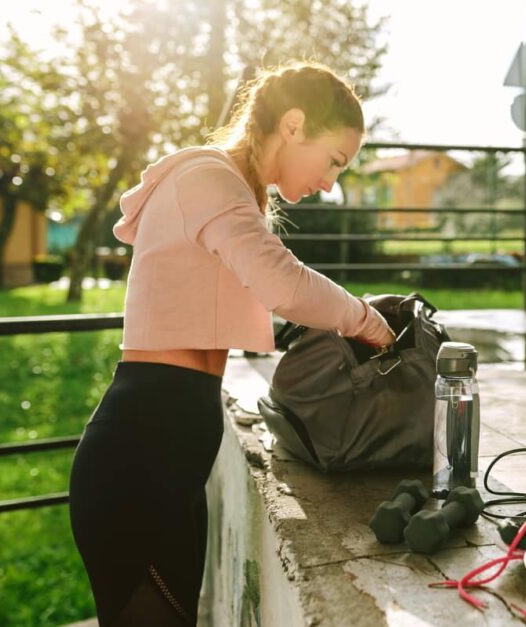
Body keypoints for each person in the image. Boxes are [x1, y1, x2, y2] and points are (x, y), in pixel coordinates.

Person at [68, 61, 395, 625]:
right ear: (293, 125)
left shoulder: (229, 190)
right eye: (334, 161)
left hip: (167, 455)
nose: (329, 183)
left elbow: (252, 297)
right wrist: (366, 320)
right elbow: (282, 282)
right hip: (139, 458)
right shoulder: (207, 177)